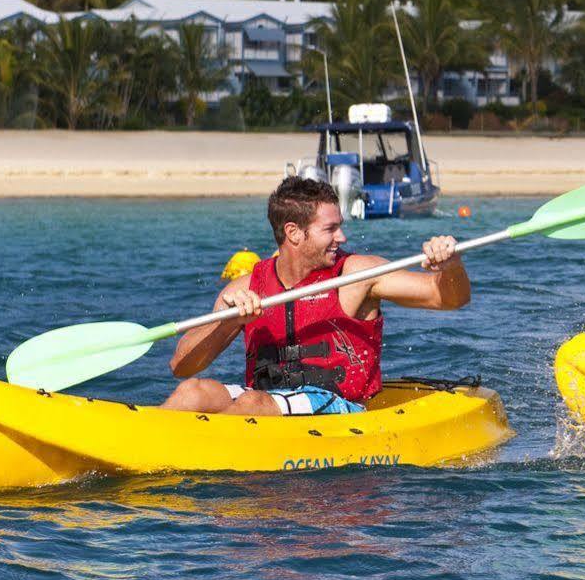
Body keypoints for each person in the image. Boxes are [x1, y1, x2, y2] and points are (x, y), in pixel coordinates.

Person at [162, 175, 469, 417]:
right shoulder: (244, 289)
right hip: (269, 404)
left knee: (252, 404)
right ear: (294, 232)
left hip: (339, 408)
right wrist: (228, 323)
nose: (342, 237)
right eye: (330, 229)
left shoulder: (357, 275)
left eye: (341, 227)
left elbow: (448, 298)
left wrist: (451, 266)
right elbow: (181, 366)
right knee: (193, 392)